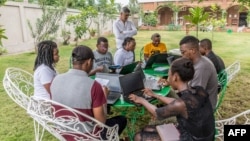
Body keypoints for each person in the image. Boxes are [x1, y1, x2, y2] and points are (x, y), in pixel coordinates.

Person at [50, 45, 127, 140]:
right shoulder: (94, 86)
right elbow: (101, 122)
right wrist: (104, 97)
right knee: (122, 120)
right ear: (89, 61)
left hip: (63, 132)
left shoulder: (56, 79)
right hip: (87, 136)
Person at [129, 58, 215, 141]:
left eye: (169, 75)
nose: (168, 78)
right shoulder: (198, 90)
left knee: (138, 137)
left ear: (175, 77)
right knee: (147, 128)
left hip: (192, 138)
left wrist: (142, 100)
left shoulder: (181, 103)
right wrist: (155, 95)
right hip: (205, 135)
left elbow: (157, 113)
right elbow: (178, 103)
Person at [180, 35, 218, 110]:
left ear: (193, 50)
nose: (182, 56)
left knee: (163, 115)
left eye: (183, 52)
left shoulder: (202, 68)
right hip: (196, 101)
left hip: (201, 110)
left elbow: (194, 99)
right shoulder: (200, 60)